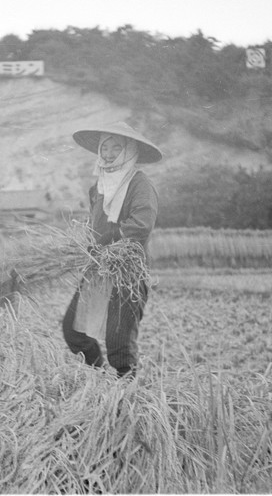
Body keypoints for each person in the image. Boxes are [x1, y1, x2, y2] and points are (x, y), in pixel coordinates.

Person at [61, 121, 162, 378]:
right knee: (75, 331)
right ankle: (101, 377)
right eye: (104, 147)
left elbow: (141, 225)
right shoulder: (98, 187)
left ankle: (126, 392)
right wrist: (86, 241)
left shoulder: (140, 184)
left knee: (119, 342)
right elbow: (93, 223)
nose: (108, 153)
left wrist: (109, 238)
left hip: (127, 269)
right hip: (98, 267)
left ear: (129, 151)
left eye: (116, 148)